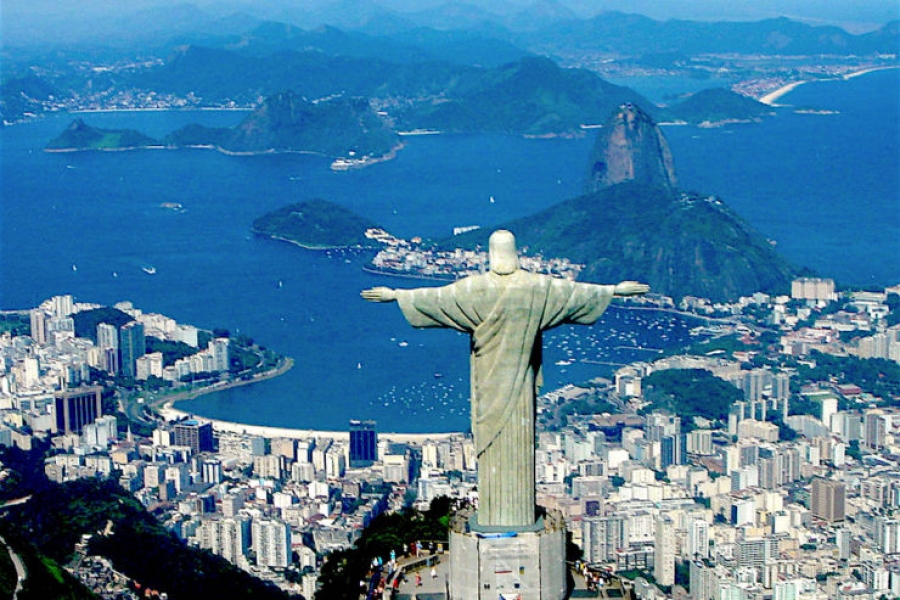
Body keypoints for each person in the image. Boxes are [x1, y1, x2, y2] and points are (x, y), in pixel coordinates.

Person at [362, 229, 649, 527]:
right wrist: (614, 290)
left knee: (493, 443)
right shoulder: (536, 287)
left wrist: (396, 295)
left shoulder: (473, 289)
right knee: (517, 440)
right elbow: (575, 295)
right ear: (515, 253)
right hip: (521, 385)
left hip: (488, 383)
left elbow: (436, 299)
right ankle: (513, 515)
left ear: (491, 254)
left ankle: (497, 516)